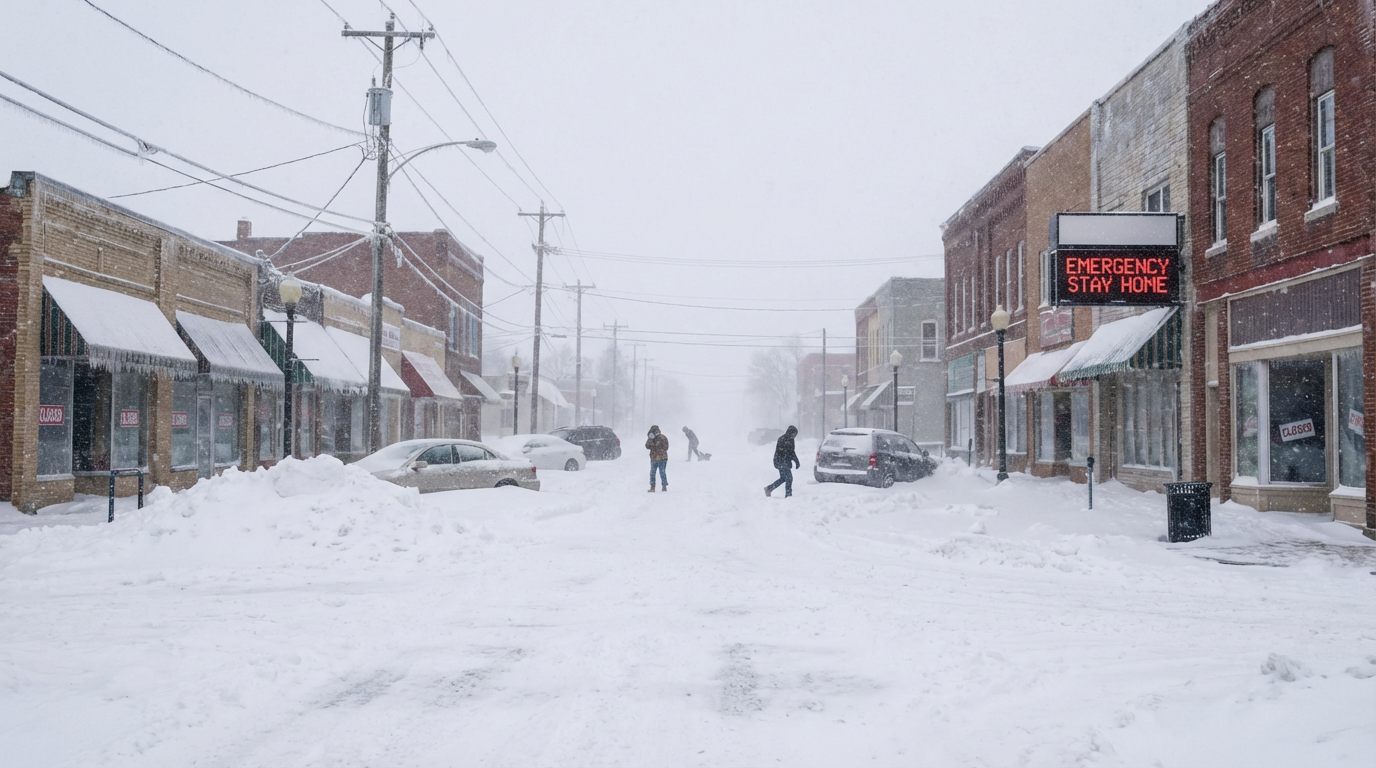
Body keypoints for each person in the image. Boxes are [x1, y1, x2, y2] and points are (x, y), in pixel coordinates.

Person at [765, 425, 800, 498]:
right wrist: (787, 460)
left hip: (785, 462)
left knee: (784, 478)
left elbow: (792, 452)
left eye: (796, 434)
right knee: (789, 478)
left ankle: (769, 488)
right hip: (780, 461)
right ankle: (788, 495)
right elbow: (783, 452)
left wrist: (796, 461)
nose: (795, 436)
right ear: (790, 432)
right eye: (794, 434)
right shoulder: (782, 439)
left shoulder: (791, 440)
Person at [646, 425, 669, 492]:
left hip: (659, 458)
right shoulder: (653, 437)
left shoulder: (662, 438)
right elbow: (647, 446)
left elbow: (665, 447)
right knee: (660, 472)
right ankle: (663, 486)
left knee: (655, 473)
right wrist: (650, 439)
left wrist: (656, 447)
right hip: (659, 458)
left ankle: (654, 487)